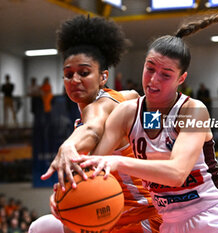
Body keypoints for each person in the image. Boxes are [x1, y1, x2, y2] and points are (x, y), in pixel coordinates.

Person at [73, 11, 218, 233]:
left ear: (181, 79)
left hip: (214, 217)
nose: (154, 79)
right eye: (150, 68)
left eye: (165, 74)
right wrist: (68, 192)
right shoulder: (127, 114)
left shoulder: (194, 111)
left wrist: (118, 163)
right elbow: (94, 163)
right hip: (170, 225)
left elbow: (177, 173)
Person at [29, 15, 161, 233]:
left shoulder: (104, 105)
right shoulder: (127, 97)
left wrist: (68, 146)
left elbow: (93, 127)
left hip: (143, 220)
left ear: (103, 76)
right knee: (43, 226)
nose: (75, 80)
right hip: (111, 214)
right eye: (68, 74)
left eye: (84, 72)